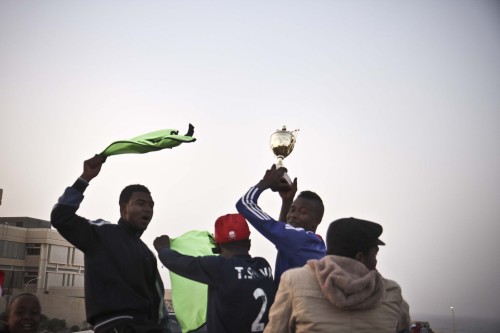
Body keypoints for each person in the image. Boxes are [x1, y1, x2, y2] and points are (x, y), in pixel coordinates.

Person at [51, 155, 170, 333]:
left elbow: (158, 305)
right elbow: (61, 217)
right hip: (114, 326)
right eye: (141, 203)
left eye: (151, 205)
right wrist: (85, 178)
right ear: (123, 208)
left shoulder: (147, 253)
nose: (147, 209)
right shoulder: (103, 233)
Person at [264, 217, 411, 333]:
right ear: (360, 257)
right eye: (374, 255)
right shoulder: (391, 292)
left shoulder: (294, 281)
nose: (375, 262)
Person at [154, 214, 276, 333]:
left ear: (218, 246)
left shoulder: (220, 267)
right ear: (249, 243)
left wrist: (163, 248)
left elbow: (177, 262)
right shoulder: (263, 265)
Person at [236, 165, 326, 284]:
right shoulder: (312, 244)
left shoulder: (300, 239)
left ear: (316, 221)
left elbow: (244, 204)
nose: (293, 215)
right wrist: (287, 201)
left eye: (303, 212)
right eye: (292, 209)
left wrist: (265, 182)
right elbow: (284, 235)